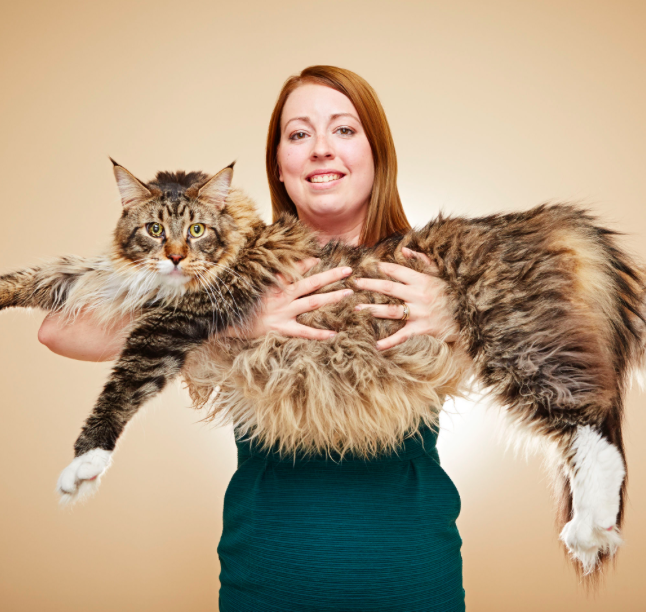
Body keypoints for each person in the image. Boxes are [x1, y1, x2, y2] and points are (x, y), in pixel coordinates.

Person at [39, 65, 466, 611]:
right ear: (279, 170)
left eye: (343, 129)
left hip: (412, 582)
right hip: (267, 583)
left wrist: (463, 312)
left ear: (376, 154)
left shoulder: (438, 262)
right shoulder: (225, 265)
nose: (320, 150)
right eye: (298, 134)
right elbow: (59, 329)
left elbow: (569, 348)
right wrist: (230, 316)